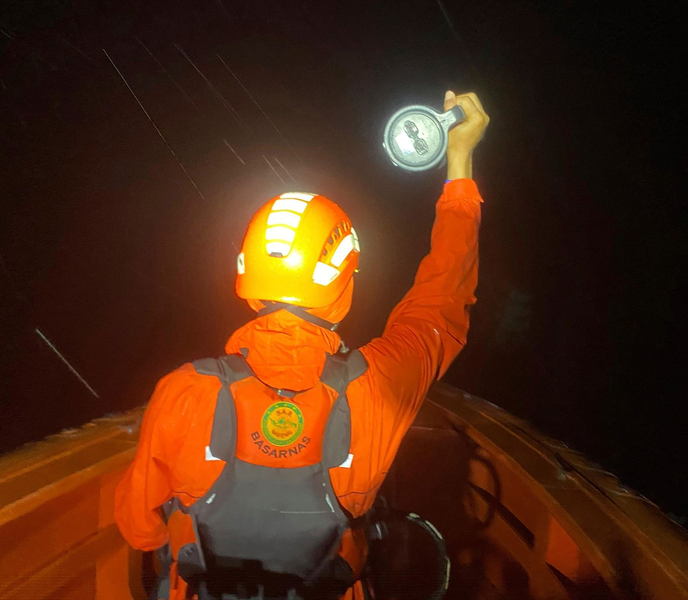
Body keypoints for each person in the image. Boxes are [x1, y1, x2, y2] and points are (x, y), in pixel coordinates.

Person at [114, 90, 490, 600]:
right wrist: (460, 165)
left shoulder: (182, 391)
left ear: (245, 272)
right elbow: (442, 301)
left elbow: (141, 528)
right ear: (344, 278)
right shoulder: (373, 388)